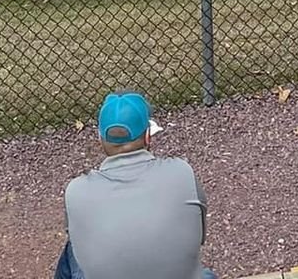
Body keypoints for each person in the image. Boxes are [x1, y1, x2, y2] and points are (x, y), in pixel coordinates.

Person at [57, 93, 212, 279]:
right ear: (147, 136)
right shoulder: (182, 173)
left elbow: (80, 241)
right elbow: (200, 236)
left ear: (100, 139)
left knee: (72, 252)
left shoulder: (76, 192)